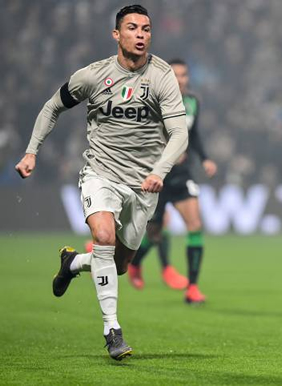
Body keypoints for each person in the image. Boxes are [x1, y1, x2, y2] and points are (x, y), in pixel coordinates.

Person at [14, 5, 188, 360]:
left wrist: (160, 171)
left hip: (144, 184)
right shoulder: (92, 76)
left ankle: (73, 263)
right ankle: (113, 330)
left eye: (146, 29)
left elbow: (180, 134)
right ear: (116, 35)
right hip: (101, 174)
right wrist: (32, 151)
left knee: (120, 264)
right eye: (133, 28)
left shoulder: (162, 75)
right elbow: (52, 107)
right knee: (104, 238)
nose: (141, 35)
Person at [128, 58, 217, 304]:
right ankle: (134, 264)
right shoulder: (155, 102)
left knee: (195, 225)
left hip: (182, 176)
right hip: (156, 175)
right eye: (175, 75)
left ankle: (193, 288)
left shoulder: (193, 102)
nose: (181, 80)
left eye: (184, 75)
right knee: (154, 234)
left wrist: (205, 158)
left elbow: (194, 134)